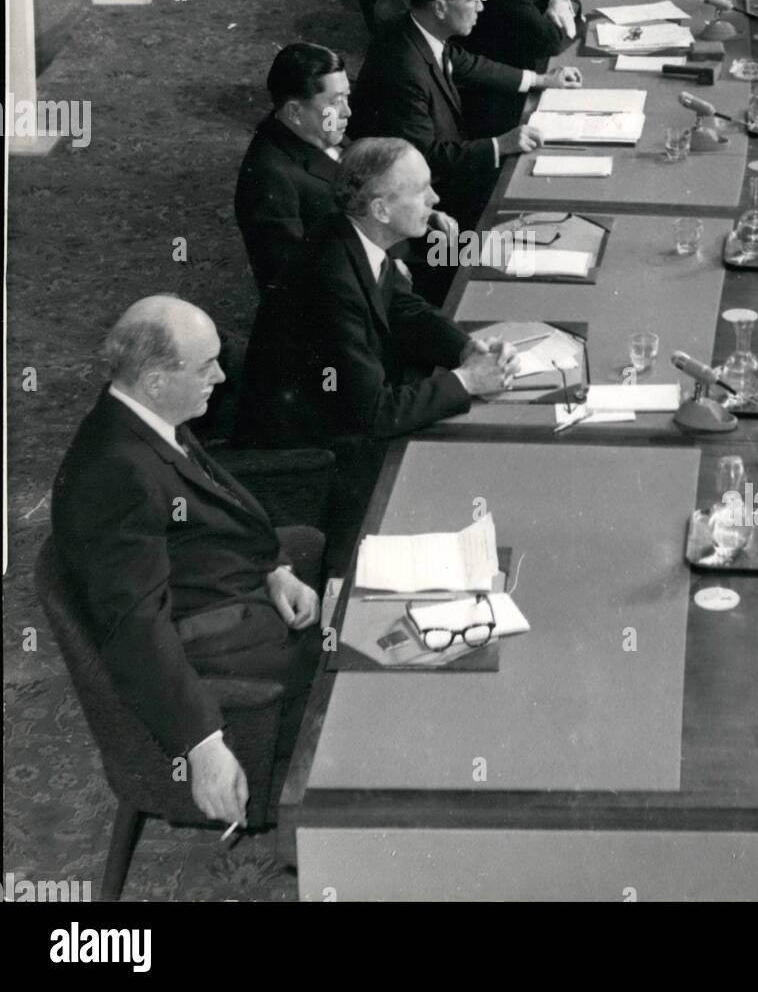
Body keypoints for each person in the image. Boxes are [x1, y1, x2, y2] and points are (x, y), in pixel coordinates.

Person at [50, 295, 325, 831]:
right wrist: (201, 745)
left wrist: (276, 569)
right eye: (207, 366)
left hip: (233, 595)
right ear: (155, 380)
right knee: (369, 669)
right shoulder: (114, 473)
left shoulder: (145, 416)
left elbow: (219, 510)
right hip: (210, 643)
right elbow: (134, 627)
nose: (221, 376)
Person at [234, 138, 521, 455]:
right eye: (420, 191)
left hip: (355, 406)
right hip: (311, 453)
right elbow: (371, 414)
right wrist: (467, 381)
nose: (435, 198)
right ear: (380, 210)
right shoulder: (330, 279)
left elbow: (404, 308)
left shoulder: (351, 234)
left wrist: (466, 347)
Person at [348, 0, 578, 219]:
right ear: (440, 8)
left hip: (453, 152)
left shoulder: (417, 29)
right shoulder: (403, 69)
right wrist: (498, 145)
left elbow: (467, 63)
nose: (480, 7)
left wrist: (539, 79)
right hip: (433, 194)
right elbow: (425, 155)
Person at [234, 42, 458, 295]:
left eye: (346, 98)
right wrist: (380, 270)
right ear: (294, 111)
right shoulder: (268, 179)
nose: (347, 112)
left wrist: (421, 214)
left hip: (408, 250)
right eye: (336, 102)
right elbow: (294, 277)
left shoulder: (320, 128)